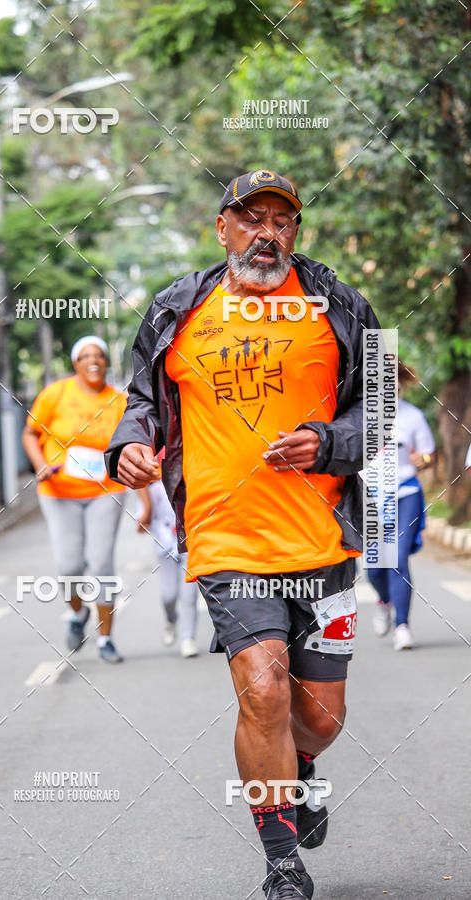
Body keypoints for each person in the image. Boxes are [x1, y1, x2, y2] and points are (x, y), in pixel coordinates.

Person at [105, 169, 380, 899]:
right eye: (251, 218)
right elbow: (142, 404)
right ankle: (282, 859)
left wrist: (325, 444)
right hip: (228, 542)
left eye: (281, 221)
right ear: (222, 228)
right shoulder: (177, 309)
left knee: (318, 719)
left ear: (296, 232)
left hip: (322, 542)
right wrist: (129, 446)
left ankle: (305, 766)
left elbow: (377, 414)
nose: (267, 233)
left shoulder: (340, 305)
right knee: (262, 692)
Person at [23, 336, 127, 663]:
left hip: (105, 491)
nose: (93, 361)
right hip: (58, 492)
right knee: (68, 567)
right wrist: (39, 466)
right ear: (75, 364)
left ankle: (106, 639)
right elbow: (30, 433)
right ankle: (78, 613)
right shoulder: (56, 394)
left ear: (106, 362)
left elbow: (129, 448)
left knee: (102, 565)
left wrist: (147, 500)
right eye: (85, 356)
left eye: (99, 355)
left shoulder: (119, 401)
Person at [369, 361, 435, 650]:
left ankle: (402, 626)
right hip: (370, 497)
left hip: (406, 493)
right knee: (374, 566)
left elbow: (428, 453)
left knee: (397, 559)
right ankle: (384, 600)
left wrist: (424, 460)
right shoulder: (361, 416)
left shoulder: (413, 416)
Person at [136, 465, 200, 658]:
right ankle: (171, 619)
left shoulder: (194, 485)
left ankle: (188, 639)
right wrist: (146, 509)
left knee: (189, 596)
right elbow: (140, 526)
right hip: (164, 547)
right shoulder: (153, 489)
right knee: (168, 596)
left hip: (191, 547)